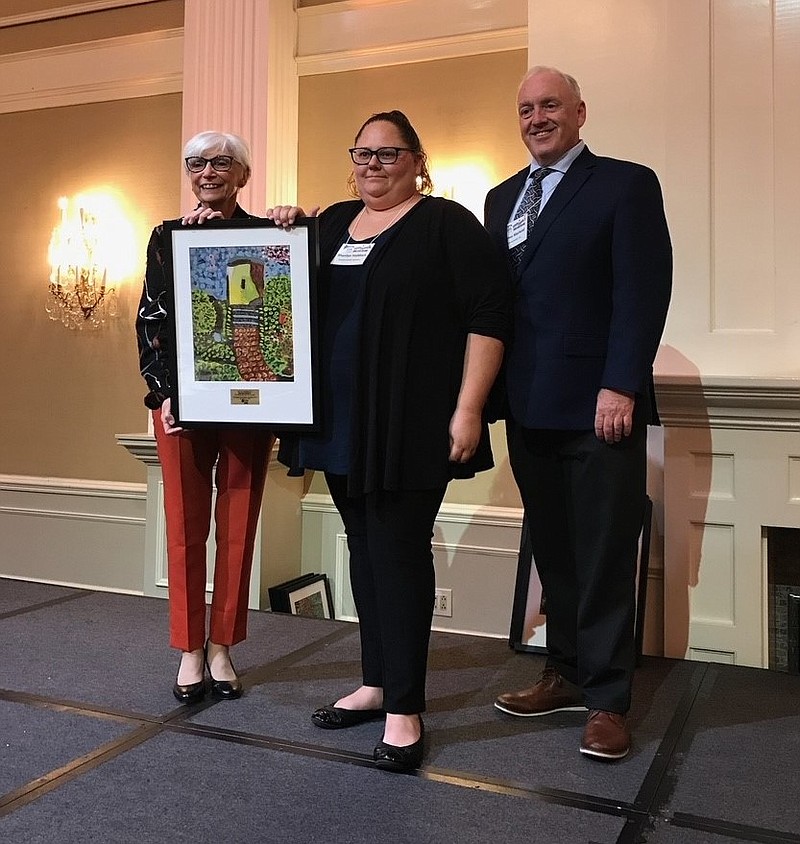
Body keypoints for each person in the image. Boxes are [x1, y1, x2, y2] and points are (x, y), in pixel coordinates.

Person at [270, 110, 511, 773]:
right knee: (364, 547)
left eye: (389, 154)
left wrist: (470, 408)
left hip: (413, 420)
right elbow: (275, 288)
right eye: (364, 154)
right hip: (336, 420)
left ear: (416, 161)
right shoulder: (330, 224)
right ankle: (377, 681)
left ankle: (405, 707)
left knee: (400, 551)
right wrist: (279, 227)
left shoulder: (445, 224)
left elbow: (490, 315)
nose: (374, 166)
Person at [484, 67, 672, 760]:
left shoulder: (626, 184)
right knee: (555, 548)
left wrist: (621, 384)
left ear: (580, 113)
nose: (537, 117)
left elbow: (643, 292)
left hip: (601, 408)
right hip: (528, 406)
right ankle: (562, 671)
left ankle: (608, 701)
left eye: (551, 105)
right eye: (526, 107)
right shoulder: (501, 197)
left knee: (602, 553)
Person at [136, 131, 274, 705]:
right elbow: (151, 319)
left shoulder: (271, 237)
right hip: (181, 407)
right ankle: (190, 648)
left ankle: (223, 646)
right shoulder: (167, 238)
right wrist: (160, 393)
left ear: (242, 174)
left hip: (250, 402)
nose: (207, 172)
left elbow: (277, 320)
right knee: (185, 529)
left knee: (239, 529)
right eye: (196, 163)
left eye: (221, 163)